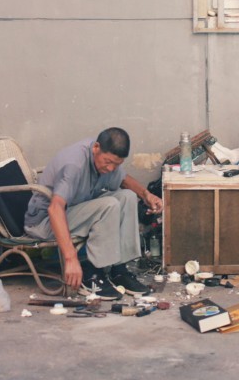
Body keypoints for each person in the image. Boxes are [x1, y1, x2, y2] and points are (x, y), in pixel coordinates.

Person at [23, 127, 162, 298]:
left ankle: (119, 270)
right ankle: (92, 273)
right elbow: (54, 208)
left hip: (73, 211)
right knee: (109, 205)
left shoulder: (104, 158)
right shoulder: (74, 164)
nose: (111, 168)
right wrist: (70, 259)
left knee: (127, 197)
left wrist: (146, 195)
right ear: (96, 147)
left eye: (116, 164)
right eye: (108, 162)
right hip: (43, 223)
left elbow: (124, 180)